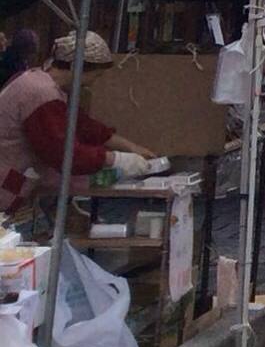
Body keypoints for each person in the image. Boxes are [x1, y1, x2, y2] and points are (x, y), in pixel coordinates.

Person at [0, 31, 155, 213]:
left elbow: (82, 125)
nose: (91, 84)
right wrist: (117, 159)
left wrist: (131, 148)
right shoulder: (41, 94)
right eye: (95, 76)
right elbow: (63, 152)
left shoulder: (38, 82)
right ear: (77, 67)